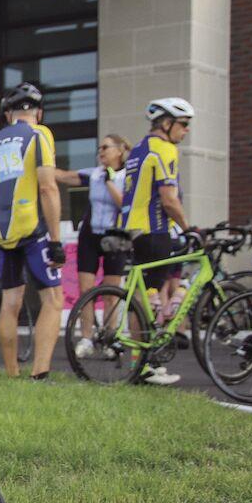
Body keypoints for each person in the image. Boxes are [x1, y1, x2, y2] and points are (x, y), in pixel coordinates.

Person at [0, 82, 64, 380]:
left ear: (7, 114)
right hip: (34, 228)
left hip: (3, 233)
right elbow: (48, 186)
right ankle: (40, 372)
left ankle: (13, 374)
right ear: (38, 112)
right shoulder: (40, 134)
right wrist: (56, 240)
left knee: (11, 302)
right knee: (53, 299)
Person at [117, 97, 196, 385]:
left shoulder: (139, 148)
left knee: (142, 296)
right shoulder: (165, 149)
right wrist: (189, 228)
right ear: (166, 123)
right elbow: (169, 198)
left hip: (135, 228)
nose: (186, 131)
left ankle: (139, 364)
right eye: (184, 125)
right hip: (155, 229)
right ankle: (147, 364)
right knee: (153, 294)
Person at [56, 134, 128, 358]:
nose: (101, 152)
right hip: (90, 234)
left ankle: (109, 338)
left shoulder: (127, 176)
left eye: (105, 147)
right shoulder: (94, 174)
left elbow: (124, 204)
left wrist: (109, 180)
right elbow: (66, 177)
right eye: (99, 148)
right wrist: (44, 168)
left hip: (115, 236)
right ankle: (86, 338)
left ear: (120, 150)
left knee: (110, 293)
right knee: (86, 291)